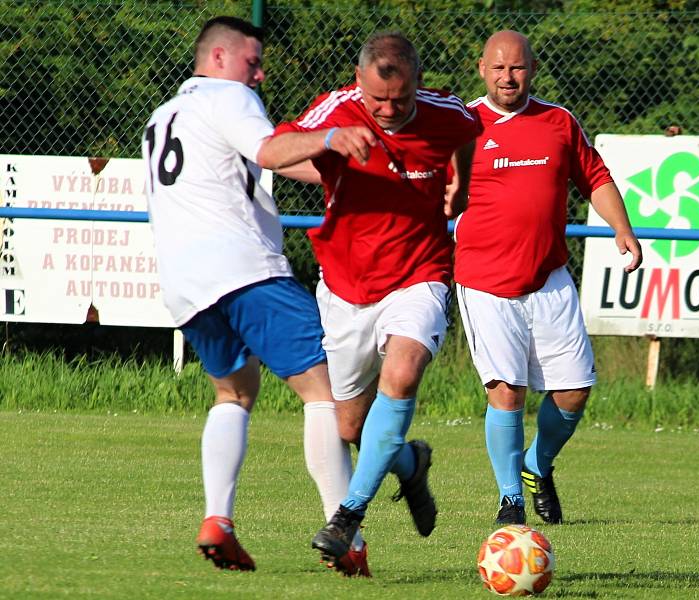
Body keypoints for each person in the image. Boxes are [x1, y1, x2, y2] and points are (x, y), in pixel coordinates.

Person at [142, 16, 378, 575]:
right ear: (219, 59)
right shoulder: (229, 96)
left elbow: (258, 167)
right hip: (244, 268)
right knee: (324, 391)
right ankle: (346, 534)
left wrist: (346, 176)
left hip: (185, 282)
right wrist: (329, 137)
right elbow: (270, 152)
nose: (260, 73)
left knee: (234, 392)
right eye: (252, 61)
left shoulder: (166, 114)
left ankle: (218, 519)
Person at [271, 31, 480, 567]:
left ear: (419, 84)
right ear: (359, 82)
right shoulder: (338, 109)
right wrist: (329, 139)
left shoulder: (446, 112)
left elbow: (468, 133)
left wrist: (462, 179)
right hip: (346, 288)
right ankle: (409, 464)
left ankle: (348, 517)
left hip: (419, 273)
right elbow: (271, 151)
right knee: (347, 428)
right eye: (377, 100)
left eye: (401, 100)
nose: (388, 110)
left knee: (404, 371)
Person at [454, 30, 642, 526]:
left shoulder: (558, 121)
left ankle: (537, 465)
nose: (507, 77)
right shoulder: (462, 127)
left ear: (531, 69)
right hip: (485, 282)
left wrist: (621, 228)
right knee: (507, 391)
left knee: (575, 391)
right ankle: (510, 498)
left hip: (549, 278)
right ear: (481, 69)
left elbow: (595, 177)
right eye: (497, 68)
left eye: (516, 67)